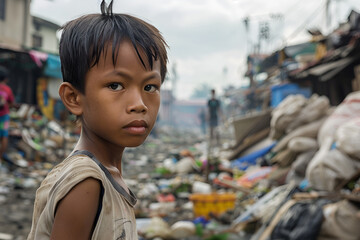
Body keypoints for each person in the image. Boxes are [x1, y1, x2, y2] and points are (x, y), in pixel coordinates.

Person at [27, 1, 168, 239]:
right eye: (115, 85)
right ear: (73, 98)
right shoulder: (86, 183)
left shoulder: (105, 174)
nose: (139, 104)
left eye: (150, 86)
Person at [0, 66, 14, 163]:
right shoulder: (7, 89)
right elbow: (11, 103)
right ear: (5, 78)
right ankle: (0, 159)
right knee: (4, 136)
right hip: (4, 116)